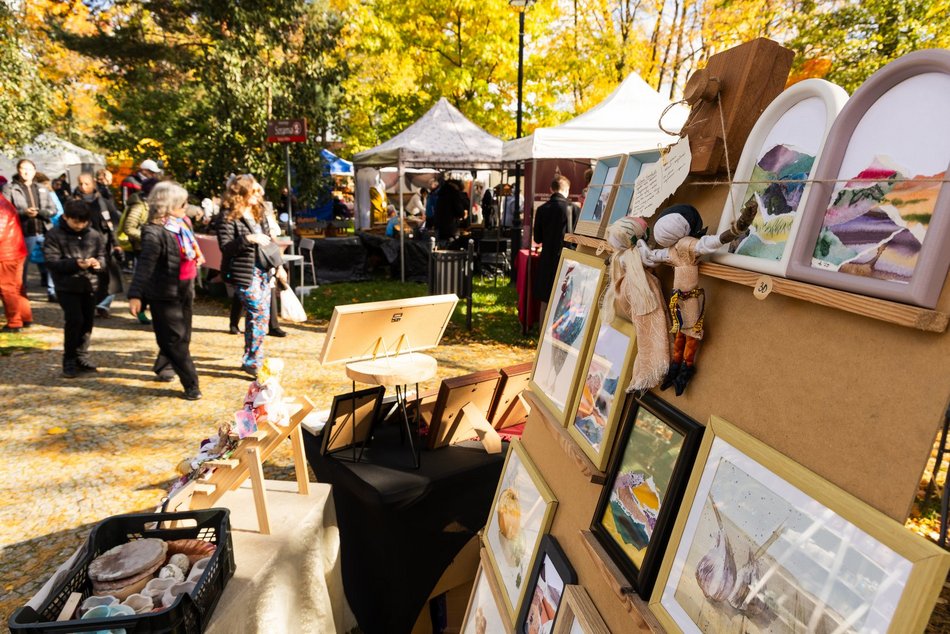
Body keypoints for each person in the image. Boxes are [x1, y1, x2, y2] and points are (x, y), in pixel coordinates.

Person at [127, 181, 203, 400]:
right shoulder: (153, 232)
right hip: (163, 293)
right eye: (182, 203)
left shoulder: (180, 224)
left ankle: (163, 366)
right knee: (174, 340)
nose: (186, 207)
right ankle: (191, 384)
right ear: (168, 205)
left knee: (183, 336)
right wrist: (135, 295)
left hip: (185, 288)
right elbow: (144, 266)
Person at [217, 174, 284, 375]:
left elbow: (270, 242)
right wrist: (248, 238)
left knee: (258, 316)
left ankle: (251, 357)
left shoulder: (258, 212)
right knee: (258, 313)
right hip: (244, 273)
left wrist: (279, 266)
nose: (259, 194)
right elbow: (226, 247)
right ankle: (254, 360)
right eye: (254, 191)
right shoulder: (227, 216)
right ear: (242, 193)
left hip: (263, 270)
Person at [44, 200, 106, 377]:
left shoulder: (94, 235)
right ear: (66, 217)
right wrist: (76, 264)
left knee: (87, 322)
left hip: (90, 285)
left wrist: (97, 264)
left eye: (83, 222)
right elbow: (52, 261)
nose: (80, 225)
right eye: (75, 221)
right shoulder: (54, 235)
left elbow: (102, 256)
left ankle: (82, 356)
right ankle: (69, 358)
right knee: (74, 321)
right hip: (67, 286)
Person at [3, 159, 55, 301]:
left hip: (44, 229)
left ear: (34, 171)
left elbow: (53, 209)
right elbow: (5, 211)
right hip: (23, 232)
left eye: (30, 169)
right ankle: (21, 291)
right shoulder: (10, 188)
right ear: (18, 170)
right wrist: (24, 212)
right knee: (22, 265)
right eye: (23, 168)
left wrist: (40, 213)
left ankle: (52, 291)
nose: (27, 172)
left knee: (51, 261)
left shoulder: (41, 188)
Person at [75, 172, 123, 318]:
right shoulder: (74, 203)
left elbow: (113, 225)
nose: (84, 187)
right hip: (81, 246)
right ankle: (88, 304)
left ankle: (103, 305)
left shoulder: (104, 203)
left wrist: (116, 244)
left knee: (108, 278)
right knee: (86, 277)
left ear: (94, 184)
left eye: (87, 183)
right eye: (81, 184)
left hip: (104, 245)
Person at [533, 175, 578, 315]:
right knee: (565, 300)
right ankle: (560, 335)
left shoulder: (542, 209)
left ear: (551, 189)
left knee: (545, 301)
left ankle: (542, 333)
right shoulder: (574, 209)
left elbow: (538, 238)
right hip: (568, 261)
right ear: (567, 190)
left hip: (547, 260)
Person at [0, 193, 32, 332]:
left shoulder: (1, 206)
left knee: (7, 288)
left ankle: (14, 322)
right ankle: (25, 317)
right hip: (15, 249)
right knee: (17, 286)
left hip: (6, 253)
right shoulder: (3, 202)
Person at [434, 179, 466, 246]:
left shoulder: (441, 192)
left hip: (439, 226)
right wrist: (463, 213)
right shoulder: (454, 194)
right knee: (450, 247)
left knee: (439, 247)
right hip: (450, 227)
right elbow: (460, 212)